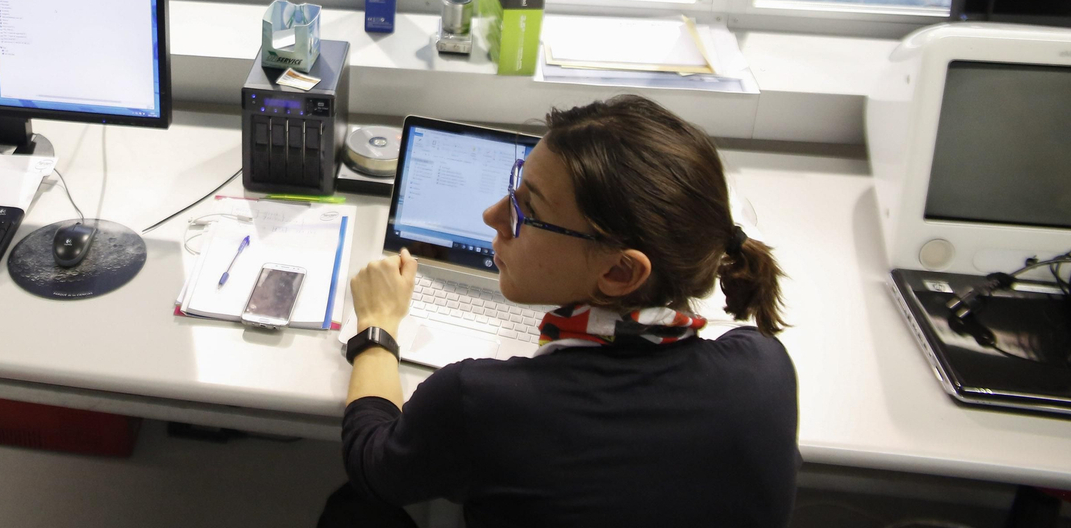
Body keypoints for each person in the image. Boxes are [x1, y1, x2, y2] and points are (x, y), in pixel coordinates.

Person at [325, 95, 797, 528]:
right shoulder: (764, 369)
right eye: (514, 187)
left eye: (527, 210)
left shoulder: (480, 401)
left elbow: (372, 463)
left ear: (619, 272)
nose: (492, 216)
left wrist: (377, 327)